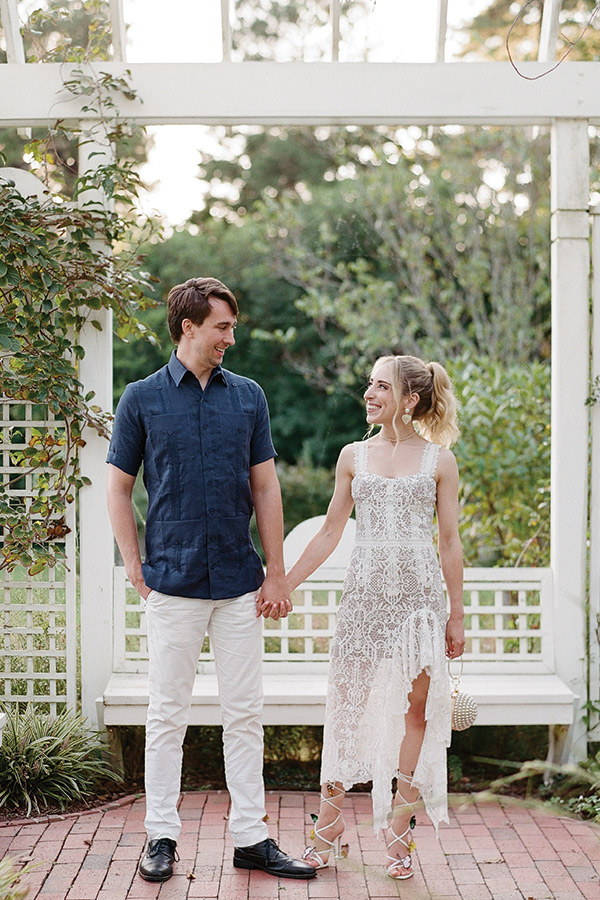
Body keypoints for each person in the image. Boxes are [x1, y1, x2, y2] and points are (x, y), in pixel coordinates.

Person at [106, 277, 315, 883]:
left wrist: (277, 573)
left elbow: (266, 485)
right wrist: (132, 562)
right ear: (188, 327)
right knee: (166, 715)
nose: (230, 337)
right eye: (222, 326)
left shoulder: (248, 396)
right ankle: (160, 837)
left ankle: (251, 837)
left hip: (238, 585)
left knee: (244, 715)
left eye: (231, 327)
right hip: (170, 582)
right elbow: (119, 487)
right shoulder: (141, 398)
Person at [269, 354, 465, 880]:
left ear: (411, 399)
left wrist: (457, 616)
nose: (370, 393)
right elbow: (331, 532)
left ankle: (399, 832)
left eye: (382, 386)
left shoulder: (439, 461)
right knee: (348, 709)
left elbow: (449, 542)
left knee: (416, 715)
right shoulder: (352, 455)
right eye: (370, 384)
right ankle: (327, 832)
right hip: (364, 602)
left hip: (420, 606)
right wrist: (284, 581)